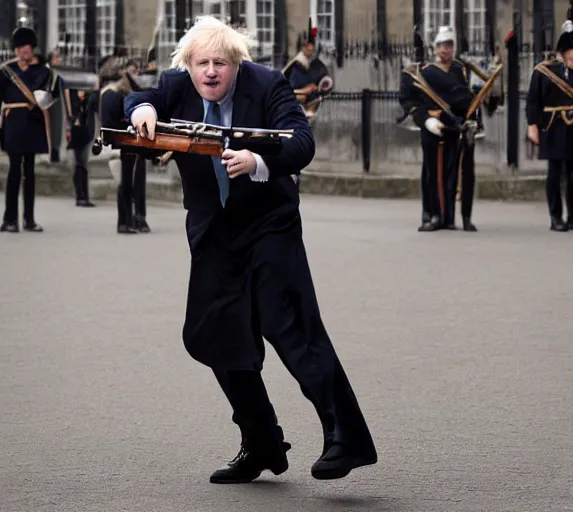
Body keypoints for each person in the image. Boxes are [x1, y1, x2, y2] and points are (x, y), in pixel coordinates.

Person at [123, 16, 377, 483]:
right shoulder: (174, 85)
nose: (212, 72)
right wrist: (140, 110)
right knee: (217, 335)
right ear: (189, 65)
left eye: (221, 62)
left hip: (269, 224)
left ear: (237, 63)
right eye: (203, 63)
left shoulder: (268, 84)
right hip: (214, 232)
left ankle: (346, 437)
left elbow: (301, 143)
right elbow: (136, 100)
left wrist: (258, 160)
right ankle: (261, 442)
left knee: (291, 327)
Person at [525, 3, 573, 232]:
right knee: (555, 174)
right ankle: (556, 217)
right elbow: (533, 100)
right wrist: (532, 125)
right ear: (564, 55)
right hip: (553, 126)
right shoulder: (544, 72)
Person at [399, 26, 475, 232]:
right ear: (435, 48)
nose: (445, 50)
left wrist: (471, 121)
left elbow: (467, 101)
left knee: (452, 173)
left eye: (449, 46)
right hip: (432, 126)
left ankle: (448, 217)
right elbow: (411, 101)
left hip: (453, 126)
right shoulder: (425, 73)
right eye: (441, 46)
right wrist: (425, 120)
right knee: (432, 173)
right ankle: (432, 215)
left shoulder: (461, 71)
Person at [0, 27, 60, 233]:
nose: (23, 51)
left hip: (33, 122)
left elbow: (50, 95)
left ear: (32, 48)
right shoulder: (6, 71)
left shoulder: (43, 71)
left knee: (30, 172)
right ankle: (9, 219)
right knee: (14, 170)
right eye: (19, 47)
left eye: (26, 46)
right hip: (13, 123)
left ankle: (29, 219)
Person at [99, 59, 148, 234]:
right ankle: (125, 222)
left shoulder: (107, 93)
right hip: (125, 143)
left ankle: (128, 221)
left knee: (126, 184)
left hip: (120, 143)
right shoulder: (117, 95)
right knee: (126, 184)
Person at [282, 18, 334, 119]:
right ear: (302, 47)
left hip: (314, 109)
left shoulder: (318, 65)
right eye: (306, 46)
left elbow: (325, 85)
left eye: (311, 46)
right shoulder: (295, 66)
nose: (309, 48)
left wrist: (318, 89)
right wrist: (303, 91)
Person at [63, 77, 97, 207]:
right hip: (76, 131)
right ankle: (80, 196)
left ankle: (84, 196)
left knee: (83, 164)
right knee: (79, 163)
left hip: (87, 131)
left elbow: (94, 108)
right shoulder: (71, 96)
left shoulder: (90, 96)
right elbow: (71, 114)